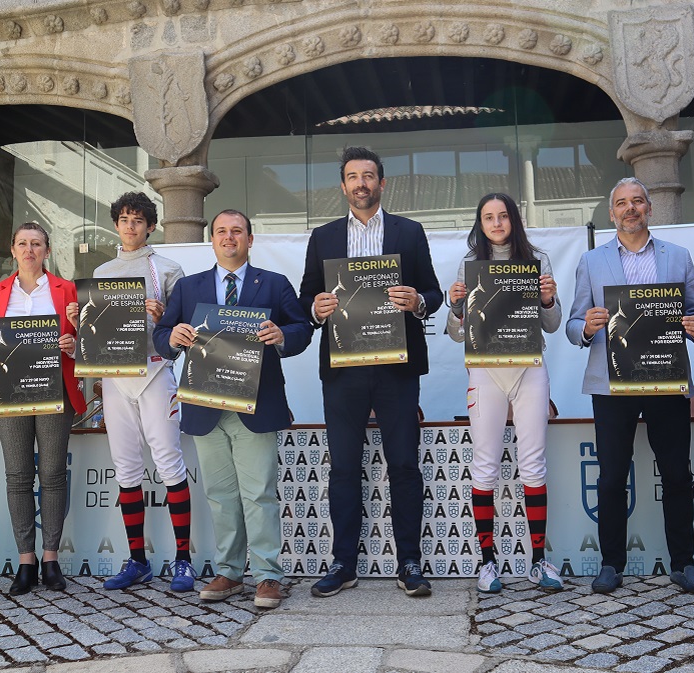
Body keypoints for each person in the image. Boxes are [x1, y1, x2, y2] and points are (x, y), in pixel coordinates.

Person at [298, 146, 443, 597]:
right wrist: (316, 309)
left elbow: (434, 293)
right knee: (343, 467)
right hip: (343, 369)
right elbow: (306, 298)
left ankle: (410, 562)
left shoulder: (409, 232)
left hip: (397, 367)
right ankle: (343, 563)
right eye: (352, 176)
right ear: (342, 186)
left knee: (403, 464)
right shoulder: (322, 238)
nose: (361, 183)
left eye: (369, 175)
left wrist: (417, 302)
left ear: (382, 183)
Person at [154, 209, 311, 609]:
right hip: (206, 406)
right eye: (221, 231)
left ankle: (268, 576)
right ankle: (229, 572)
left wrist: (281, 335)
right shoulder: (189, 289)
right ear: (212, 241)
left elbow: (301, 329)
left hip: (256, 405)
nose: (229, 237)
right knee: (221, 495)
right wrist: (171, 335)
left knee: (258, 493)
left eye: (236, 231)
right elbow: (160, 336)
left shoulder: (273, 285)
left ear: (250, 239)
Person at [566, 177, 694, 596]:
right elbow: (574, 324)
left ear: (649, 208)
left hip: (666, 379)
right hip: (612, 385)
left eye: (637, 202)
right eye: (621, 204)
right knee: (611, 477)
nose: (630, 209)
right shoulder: (591, 261)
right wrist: (586, 327)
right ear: (611, 214)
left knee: (677, 475)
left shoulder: (677, 257)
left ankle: (683, 564)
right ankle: (611, 564)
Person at [65, 192, 196, 592]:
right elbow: (91, 336)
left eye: (138, 220)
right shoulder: (102, 272)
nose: (130, 226)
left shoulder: (168, 268)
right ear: (116, 224)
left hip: (156, 373)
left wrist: (166, 315)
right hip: (115, 379)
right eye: (123, 219)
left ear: (151, 225)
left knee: (170, 464)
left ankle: (184, 561)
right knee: (125, 469)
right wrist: (77, 318)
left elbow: (188, 329)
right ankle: (137, 561)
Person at [445, 194, 563, 593]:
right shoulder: (468, 265)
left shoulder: (538, 260)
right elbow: (456, 331)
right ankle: (488, 562)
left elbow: (552, 323)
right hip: (485, 370)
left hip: (529, 368)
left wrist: (547, 298)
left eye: (502, 216)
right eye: (488, 217)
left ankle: (538, 561)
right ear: (480, 223)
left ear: (513, 219)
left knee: (533, 464)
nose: (496, 223)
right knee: (485, 465)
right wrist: (456, 306)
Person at [0, 222, 86, 596]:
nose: (29, 249)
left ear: (47, 251)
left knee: (53, 473)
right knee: (18, 476)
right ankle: (26, 560)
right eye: (22, 243)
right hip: (10, 393)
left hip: (54, 389)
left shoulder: (67, 289)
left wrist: (74, 344)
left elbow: (88, 341)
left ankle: (51, 558)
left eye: (36, 243)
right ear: (12, 250)